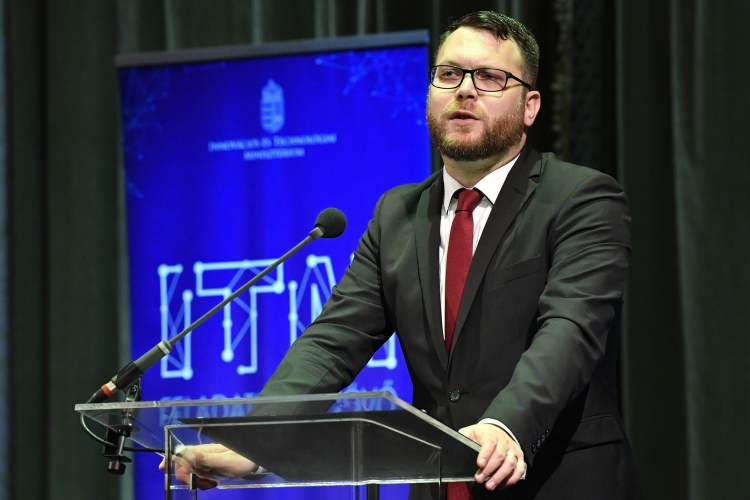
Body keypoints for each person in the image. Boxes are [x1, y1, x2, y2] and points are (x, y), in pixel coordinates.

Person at [163, 11, 641, 499]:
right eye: (449, 74)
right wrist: (255, 440)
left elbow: (570, 330)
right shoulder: (397, 215)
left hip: (557, 481)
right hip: (438, 485)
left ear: (530, 106)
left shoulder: (580, 199)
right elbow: (334, 341)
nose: (465, 90)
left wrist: (507, 424)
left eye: (490, 77)